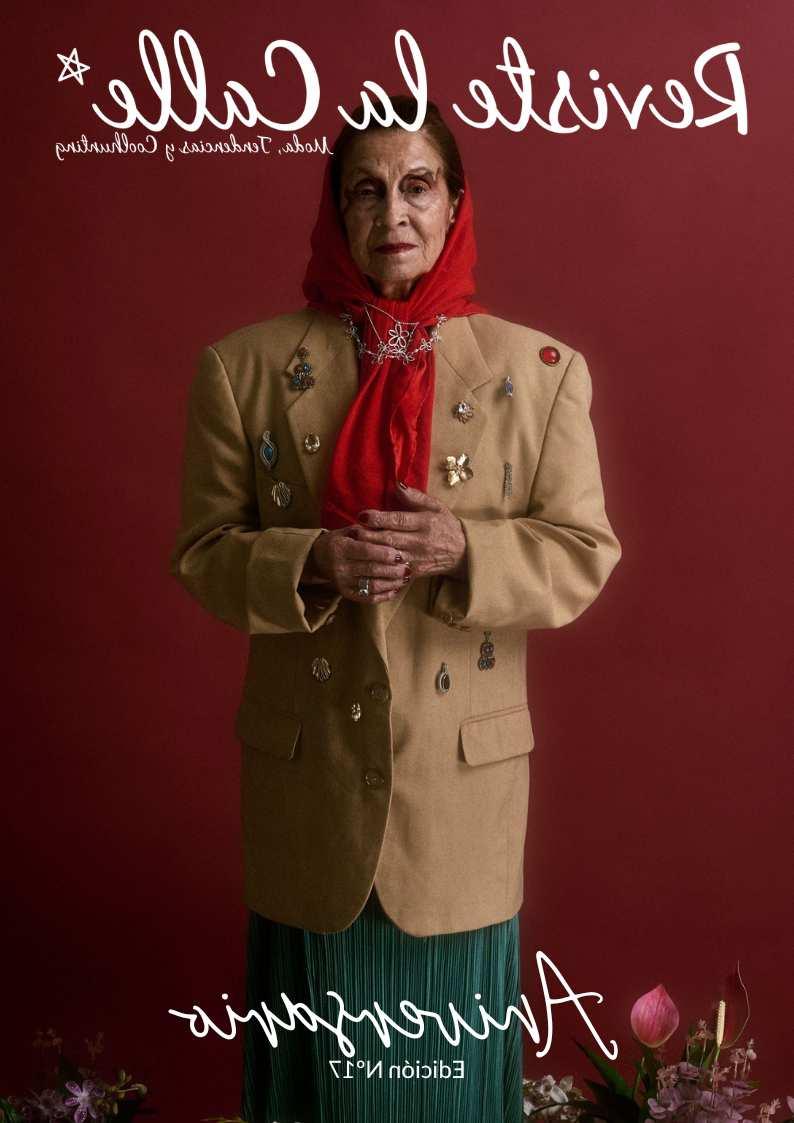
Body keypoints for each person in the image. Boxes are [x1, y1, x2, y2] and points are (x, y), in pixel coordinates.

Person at [169, 96, 622, 1123]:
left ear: (455, 203)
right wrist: (310, 559)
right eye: (365, 191)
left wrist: (467, 548)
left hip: (458, 800)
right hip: (310, 791)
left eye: (417, 186)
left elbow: (583, 551)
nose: (393, 214)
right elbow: (202, 552)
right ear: (337, 210)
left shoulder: (539, 373)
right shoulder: (243, 369)